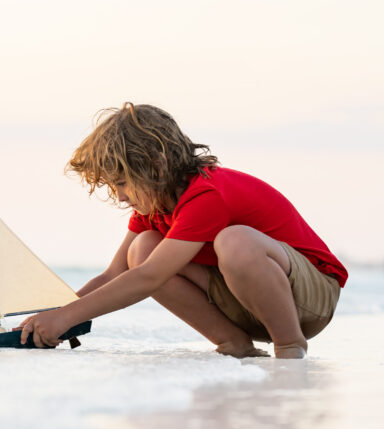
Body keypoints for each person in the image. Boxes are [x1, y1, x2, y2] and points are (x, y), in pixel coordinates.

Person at [19, 103, 347, 358]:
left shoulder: (207, 194)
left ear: (157, 167)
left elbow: (149, 278)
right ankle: (233, 342)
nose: (119, 196)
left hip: (306, 302)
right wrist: (59, 314)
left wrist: (65, 319)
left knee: (235, 242)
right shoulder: (156, 206)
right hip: (247, 305)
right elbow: (114, 276)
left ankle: (289, 345)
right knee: (142, 249)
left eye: (122, 183)